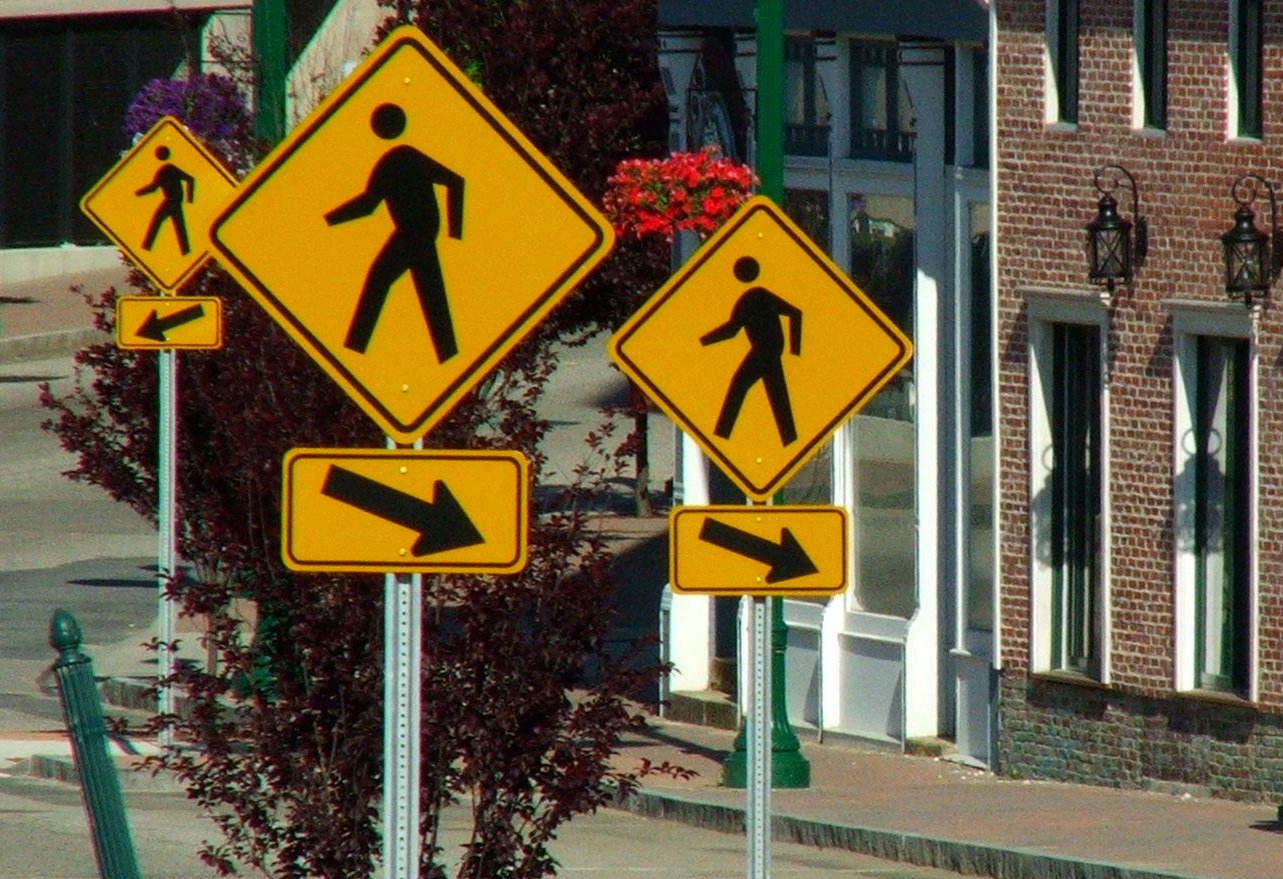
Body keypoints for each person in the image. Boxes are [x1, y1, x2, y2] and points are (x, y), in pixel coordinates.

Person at [326, 102, 465, 361]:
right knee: (430, 293)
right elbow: (368, 205)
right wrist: (329, 220)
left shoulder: (401, 158)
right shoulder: (396, 159)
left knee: (382, 279)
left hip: (414, 233)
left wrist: (455, 234)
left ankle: (355, 349)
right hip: (417, 233)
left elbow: (455, 182)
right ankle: (448, 355)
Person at [700, 256, 802, 445]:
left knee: (740, 387)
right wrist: (703, 341)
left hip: (765, 352)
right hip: (767, 352)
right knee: (777, 398)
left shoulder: (757, 296)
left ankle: (722, 434)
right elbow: (732, 330)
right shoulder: (750, 298)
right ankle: (789, 439)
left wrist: (795, 351)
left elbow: (795, 313)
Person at [136, 145, 194, 256]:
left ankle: (147, 247)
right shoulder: (164, 170)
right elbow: (154, 187)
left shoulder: (168, 169)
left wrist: (190, 199)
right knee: (178, 226)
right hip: (173, 201)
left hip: (172, 201)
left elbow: (190, 179)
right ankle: (185, 251)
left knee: (159, 221)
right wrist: (138, 193)